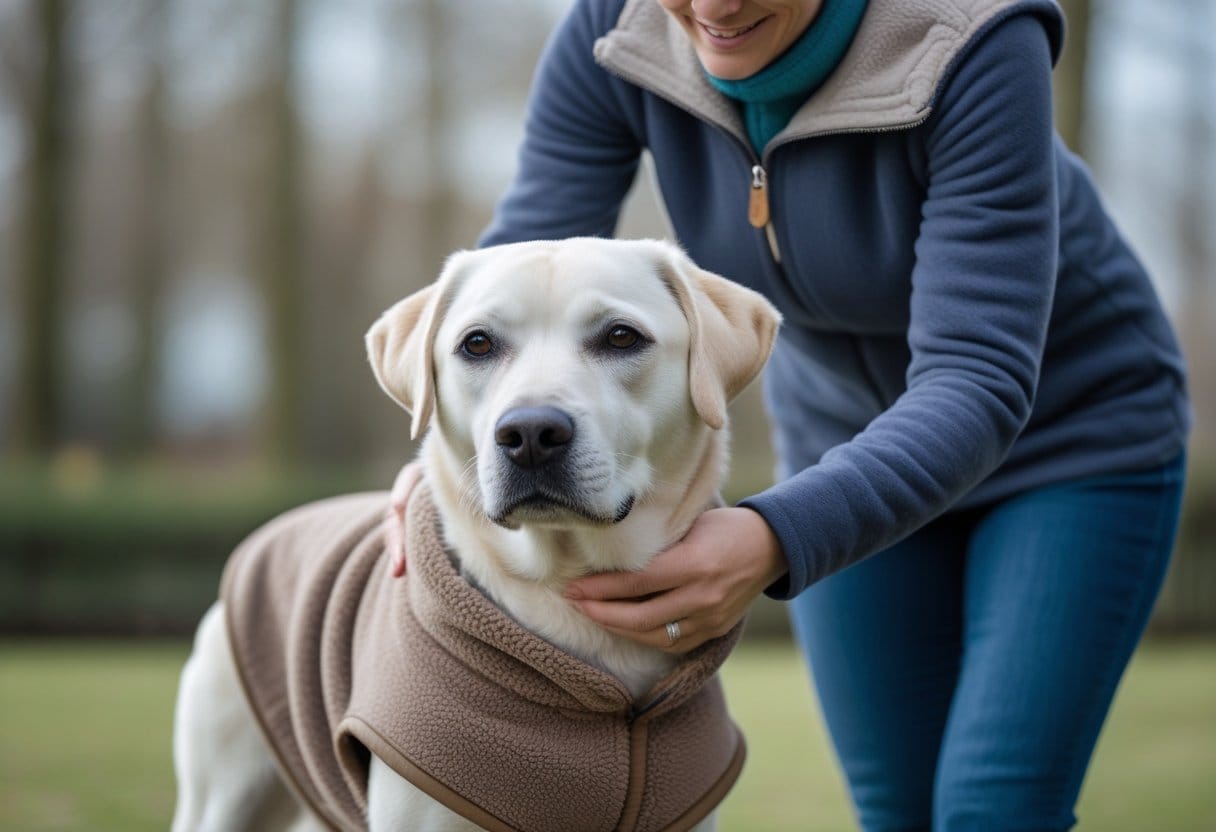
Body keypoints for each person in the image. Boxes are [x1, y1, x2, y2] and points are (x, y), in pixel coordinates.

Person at [386, 1, 1190, 829]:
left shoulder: (973, 38)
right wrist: (455, 465)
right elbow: (522, 278)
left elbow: (976, 378)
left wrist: (775, 535)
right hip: (845, 442)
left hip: (1070, 443)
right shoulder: (616, 25)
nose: (713, 8)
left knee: (995, 807)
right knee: (897, 809)